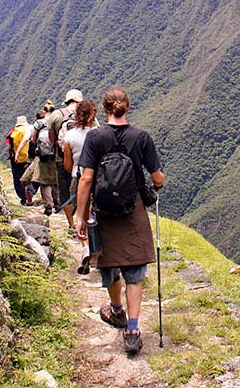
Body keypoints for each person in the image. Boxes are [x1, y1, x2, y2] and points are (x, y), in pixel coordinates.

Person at [76, 86, 164, 355]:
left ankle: (116, 311)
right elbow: (157, 177)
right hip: (132, 208)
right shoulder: (142, 138)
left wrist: (80, 216)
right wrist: (156, 186)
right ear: (128, 107)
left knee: (110, 263)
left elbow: (86, 178)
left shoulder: (95, 138)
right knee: (134, 270)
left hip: (103, 210)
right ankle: (134, 330)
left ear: (104, 110)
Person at [63, 99, 97, 274]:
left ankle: (86, 246)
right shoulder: (98, 134)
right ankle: (97, 247)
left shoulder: (69, 136)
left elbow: (67, 164)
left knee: (82, 213)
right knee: (95, 212)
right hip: (98, 177)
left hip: (78, 176)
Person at [48, 89, 83, 232]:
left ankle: (71, 224)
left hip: (61, 159)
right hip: (82, 161)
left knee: (65, 192)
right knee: (82, 191)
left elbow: (51, 138)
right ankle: (84, 222)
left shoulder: (56, 115)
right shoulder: (86, 114)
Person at [31, 103, 59, 215]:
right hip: (55, 154)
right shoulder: (56, 121)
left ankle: (48, 206)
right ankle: (57, 203)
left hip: (42, 155)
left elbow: (33, 139)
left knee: (44, 182)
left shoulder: (39, 123)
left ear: (44, 110)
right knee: (56, 180)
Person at [5, 115, 32, 205]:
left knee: (18, 178)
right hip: (29, 157)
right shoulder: (30, 130)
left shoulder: (12, 132)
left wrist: (10, 155)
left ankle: (23, 198)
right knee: (28, 178)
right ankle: (29, 197)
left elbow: (9, 146)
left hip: (16, 158)